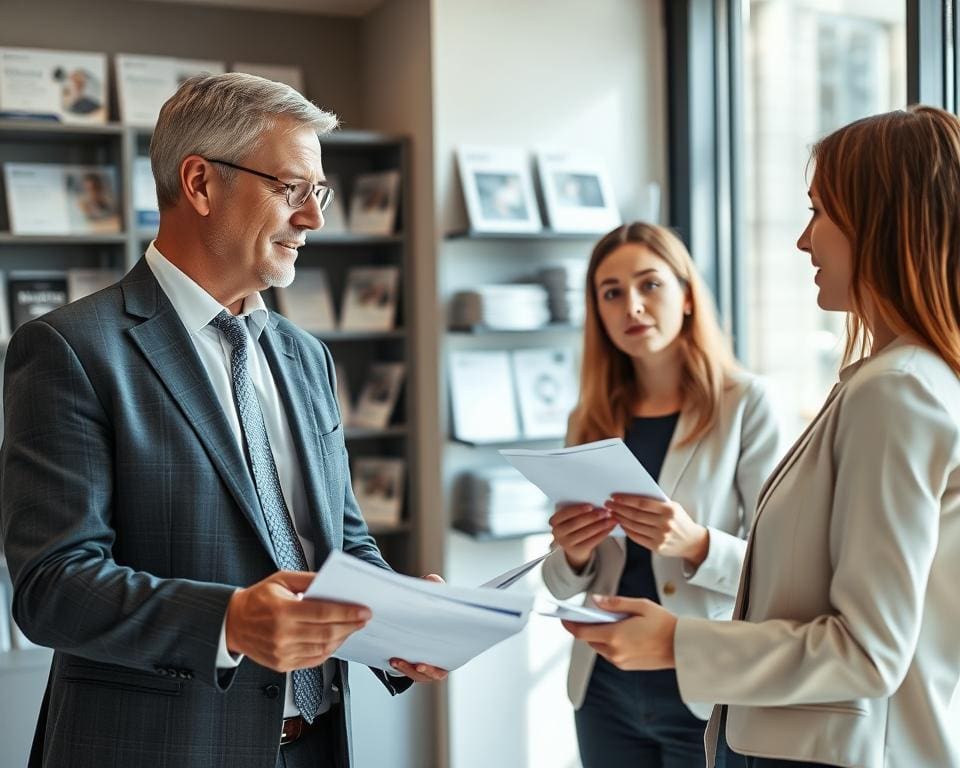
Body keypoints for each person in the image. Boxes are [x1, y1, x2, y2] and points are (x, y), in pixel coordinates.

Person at [0, 73, 446, 768]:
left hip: (316, 745)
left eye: (317, 193)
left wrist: (397, 620)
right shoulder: (72, 349)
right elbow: (52, 586)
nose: (314, 219)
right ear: (202, 184)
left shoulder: (307, 359)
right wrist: (229, 621)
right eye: (291, 189)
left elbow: (339, 545)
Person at [562, 106, 960, 768]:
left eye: (820, 212)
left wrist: (676, 644)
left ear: (878, 222)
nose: (805, 241)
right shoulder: (890, 383)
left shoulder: (897, 392)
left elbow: (868, 649)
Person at [541, 221, 782, 767]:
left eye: (650, 284)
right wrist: (574, 552)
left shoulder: (746, 405)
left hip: (700, 683)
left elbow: (780, 569)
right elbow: (558, 577)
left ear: (688, 295)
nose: (633, 305)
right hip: (603, 686)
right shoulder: (592, 418)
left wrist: (696, 543)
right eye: (612, 292)